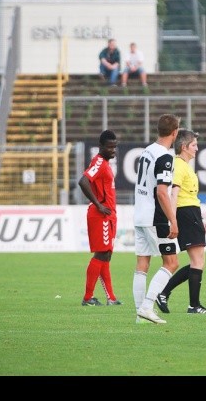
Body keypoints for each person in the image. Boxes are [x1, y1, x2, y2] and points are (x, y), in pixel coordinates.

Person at [132, 114, 181, 324]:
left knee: (142, 263)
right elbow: (162, 192)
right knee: (171, 262)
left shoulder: (147, 151)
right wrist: (173, 220)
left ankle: (140, 316)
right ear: (175, 132)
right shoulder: (165, 157)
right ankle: (146, 306)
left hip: (140, 214)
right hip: (155, 217)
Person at [156, 129, 206, 315]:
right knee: (197, 260)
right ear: (184, 147)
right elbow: (174, 193)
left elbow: (190, 195)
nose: (197, 148)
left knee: (198, 261)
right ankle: (190, 304)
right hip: (185, 213)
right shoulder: (179, 165)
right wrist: (174, 220)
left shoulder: (185, 166)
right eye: (194, 145)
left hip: (192, 213)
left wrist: (200, 219)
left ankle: (166, 294)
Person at [78, 130, 123, 306]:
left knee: (106, 255)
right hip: (101, 215)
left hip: (108, 215)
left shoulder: (104, 163)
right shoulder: (98, 162)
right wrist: (98, 204)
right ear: (101, 146)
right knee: (101, 254)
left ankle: (111, 298)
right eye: (109, 147)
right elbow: (83, 181)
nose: (113, 150)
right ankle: (88, 298)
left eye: (115, 147)